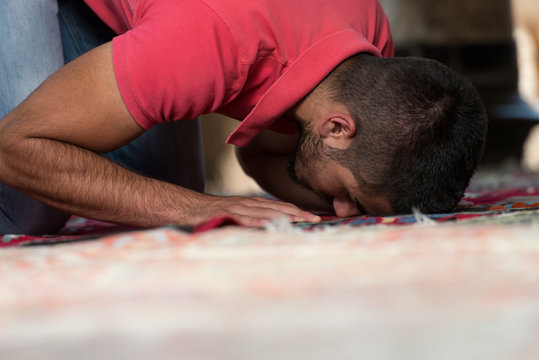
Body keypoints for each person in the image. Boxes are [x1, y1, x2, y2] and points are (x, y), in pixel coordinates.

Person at [0, 0, 487, 235]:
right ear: (337, 127)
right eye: (348, 197)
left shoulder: (368, 56)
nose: (339, 214)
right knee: (33, 205)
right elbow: (15, 147)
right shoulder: (212, 43)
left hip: (187, 32)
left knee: (155, 193)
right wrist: (194, 207)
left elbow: (263, 155)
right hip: (197, 30)